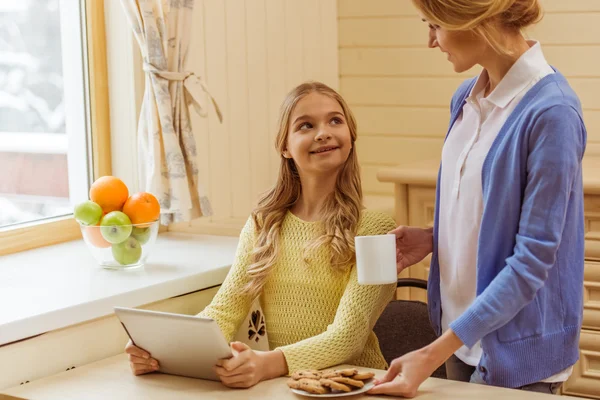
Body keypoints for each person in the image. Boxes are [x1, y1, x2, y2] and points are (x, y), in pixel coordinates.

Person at [370, 0, 587, 397]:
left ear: (474, 18)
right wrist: (434, 237)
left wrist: (433, 353)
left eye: (434, 24)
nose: (430, 42)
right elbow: (485, 213)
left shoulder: (552, 113)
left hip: (517, 355)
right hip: (459, 337)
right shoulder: (465, 98)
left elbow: (532, 261)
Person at [124, 81, 398, 388]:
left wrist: (267, 363)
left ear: (350, 138)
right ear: (284, 147)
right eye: (305, 125)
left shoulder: (376, 229)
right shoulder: (263, 225)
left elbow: (348, 337)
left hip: (358, 388)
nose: (323, 132)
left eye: (336, 120)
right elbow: (223, 312)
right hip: (291, 387)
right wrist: (161, 350)